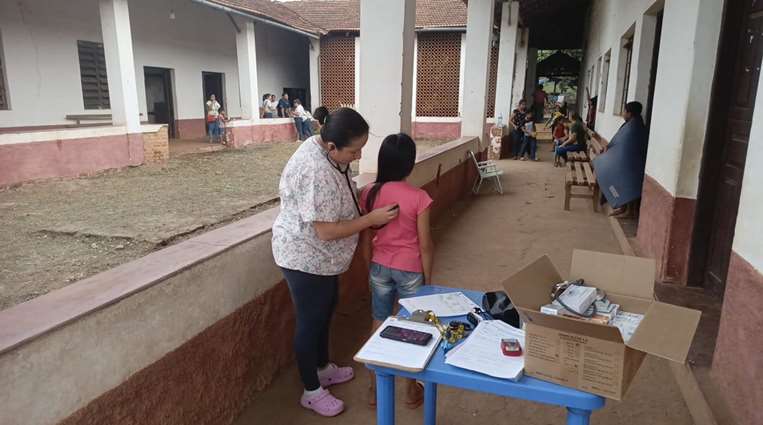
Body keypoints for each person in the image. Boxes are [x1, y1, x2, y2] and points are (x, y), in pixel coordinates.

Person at [272, 108, 399, 417]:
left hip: (325, 260)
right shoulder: (315, 170)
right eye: (354, 151)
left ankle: (322, 367)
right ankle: (311, 391)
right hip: (304, 257)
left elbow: (340, 194)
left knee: (326, 309)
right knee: (310, 321)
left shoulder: (328, 153)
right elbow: (326, 231)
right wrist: (370, 219)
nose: (357, 157)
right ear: (331, 146)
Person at [359, 133, 434, 410]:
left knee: (378, 321)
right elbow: (426, 245)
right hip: (411, 270)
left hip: (379, 266)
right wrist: (429, 279)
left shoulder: (369, 192)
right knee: (414, 328)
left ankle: (373, 389)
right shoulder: (419, 198)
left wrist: (370, 268)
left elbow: (367, 239)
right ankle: (410, 390)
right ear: (410, 164)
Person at [592, 101, 649, 216]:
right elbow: (619, 140)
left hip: (632, 162)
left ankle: (629, 211)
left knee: (629, 185)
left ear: (629, 113)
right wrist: (609, 147)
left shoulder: (635, 126)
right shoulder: (630, 124)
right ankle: (622, 208)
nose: (623, 114)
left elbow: (627, 143)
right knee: (621, 182)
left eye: (624, 111)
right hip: (627, 161)